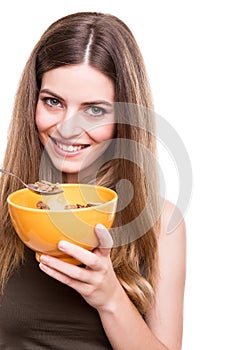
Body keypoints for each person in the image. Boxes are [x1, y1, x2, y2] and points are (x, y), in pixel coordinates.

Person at [0, 12, 186, 350]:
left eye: (95, 110)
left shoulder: (161, 223)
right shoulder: (4, 207)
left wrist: (110, 297)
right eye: (53, 102)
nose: (67, 128)